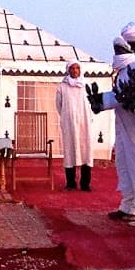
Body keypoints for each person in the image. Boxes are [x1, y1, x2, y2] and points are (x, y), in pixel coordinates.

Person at [101, 22, 135, 220]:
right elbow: (119, 95)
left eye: (121, 48)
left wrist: (107, 100)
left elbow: (128, 97)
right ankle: (127, 204)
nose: (117, 51)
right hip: (122, 128)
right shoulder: (123, 72)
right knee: (124, 166)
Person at [55, 61, 94, 191]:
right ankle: (71, 183)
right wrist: (69, 117)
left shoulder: (86, 85)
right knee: (69, 151)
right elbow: (59, 106)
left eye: (77, 68)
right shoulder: (62, 87)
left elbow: (92, 103)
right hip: (69, 124)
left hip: (85, 124)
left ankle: (85, 184)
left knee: (86, 152)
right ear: (68, 70)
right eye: (72, 68)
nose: (75, 71)